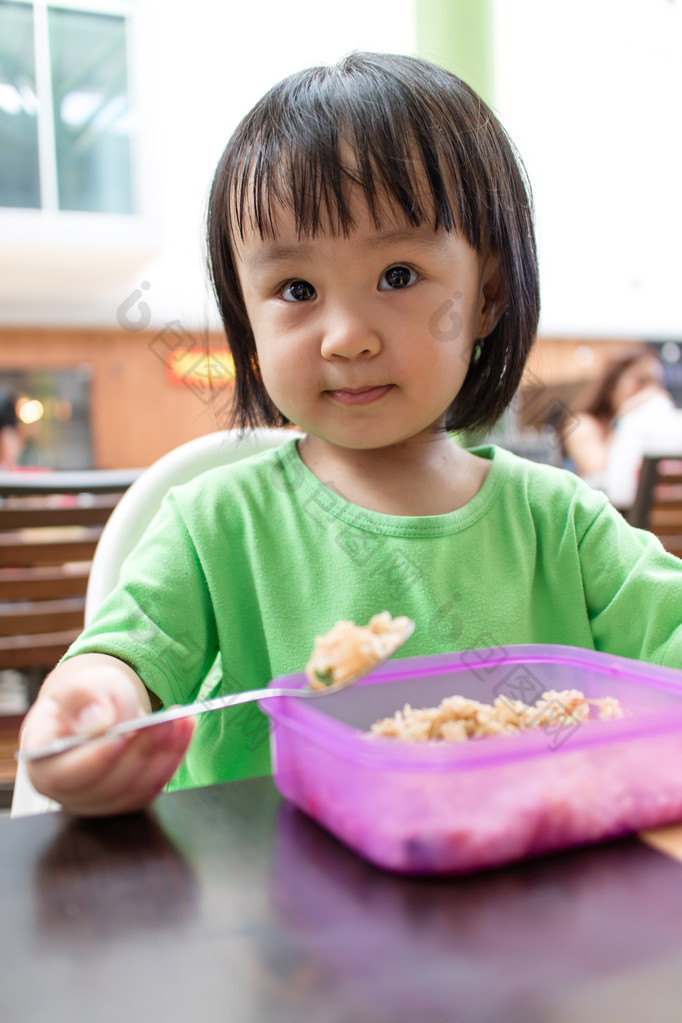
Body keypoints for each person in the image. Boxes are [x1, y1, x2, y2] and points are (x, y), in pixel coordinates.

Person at [21, 52, 682, 816]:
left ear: (487, 297)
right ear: (246, 317)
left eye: (399, 275)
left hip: (532, 897)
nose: (346, 336)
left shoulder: (561, 526)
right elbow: (122, 658)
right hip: (276, 909)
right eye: (296, 289)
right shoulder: (214, 527)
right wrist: (92, 706)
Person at [561, 347, 682, 508]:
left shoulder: (645, 430)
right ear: (612, 387)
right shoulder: (581, 423)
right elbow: (599, 472)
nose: (650, 390)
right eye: (641, 381)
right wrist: (623, 418)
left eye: (657, 382)